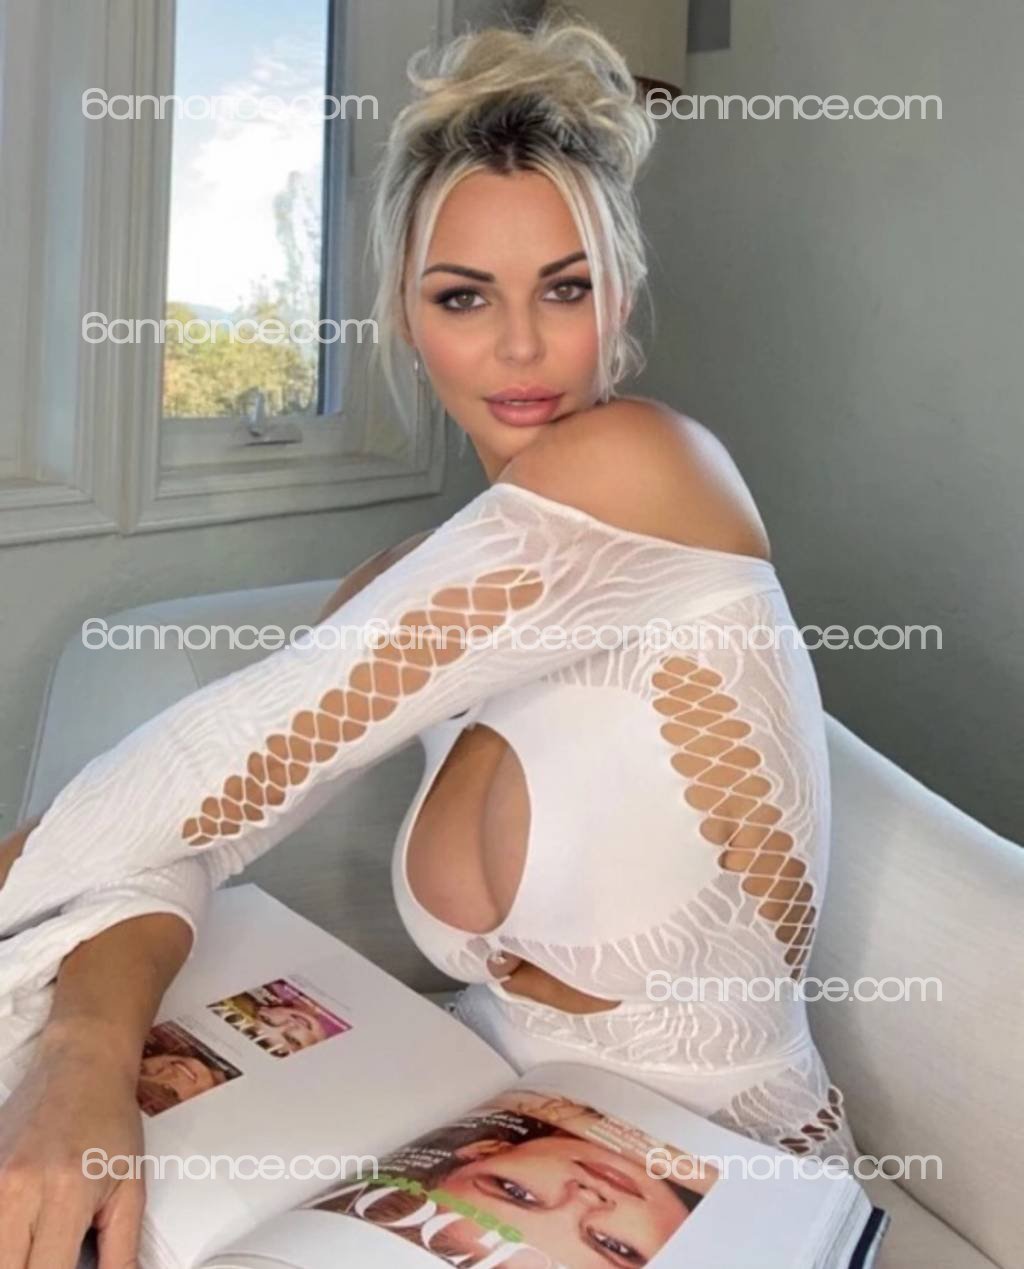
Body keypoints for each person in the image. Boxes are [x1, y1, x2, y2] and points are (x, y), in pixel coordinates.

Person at [0, 16, 856, 1265]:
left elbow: (197, 772)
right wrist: (85, 1047)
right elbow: (207, 818)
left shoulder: (651, 469)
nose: (519, 346)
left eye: (564, 288)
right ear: (406, 317)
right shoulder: (415, 585)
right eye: (463, 296)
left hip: (720, 1183)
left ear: (618, 299)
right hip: (488, 1120)